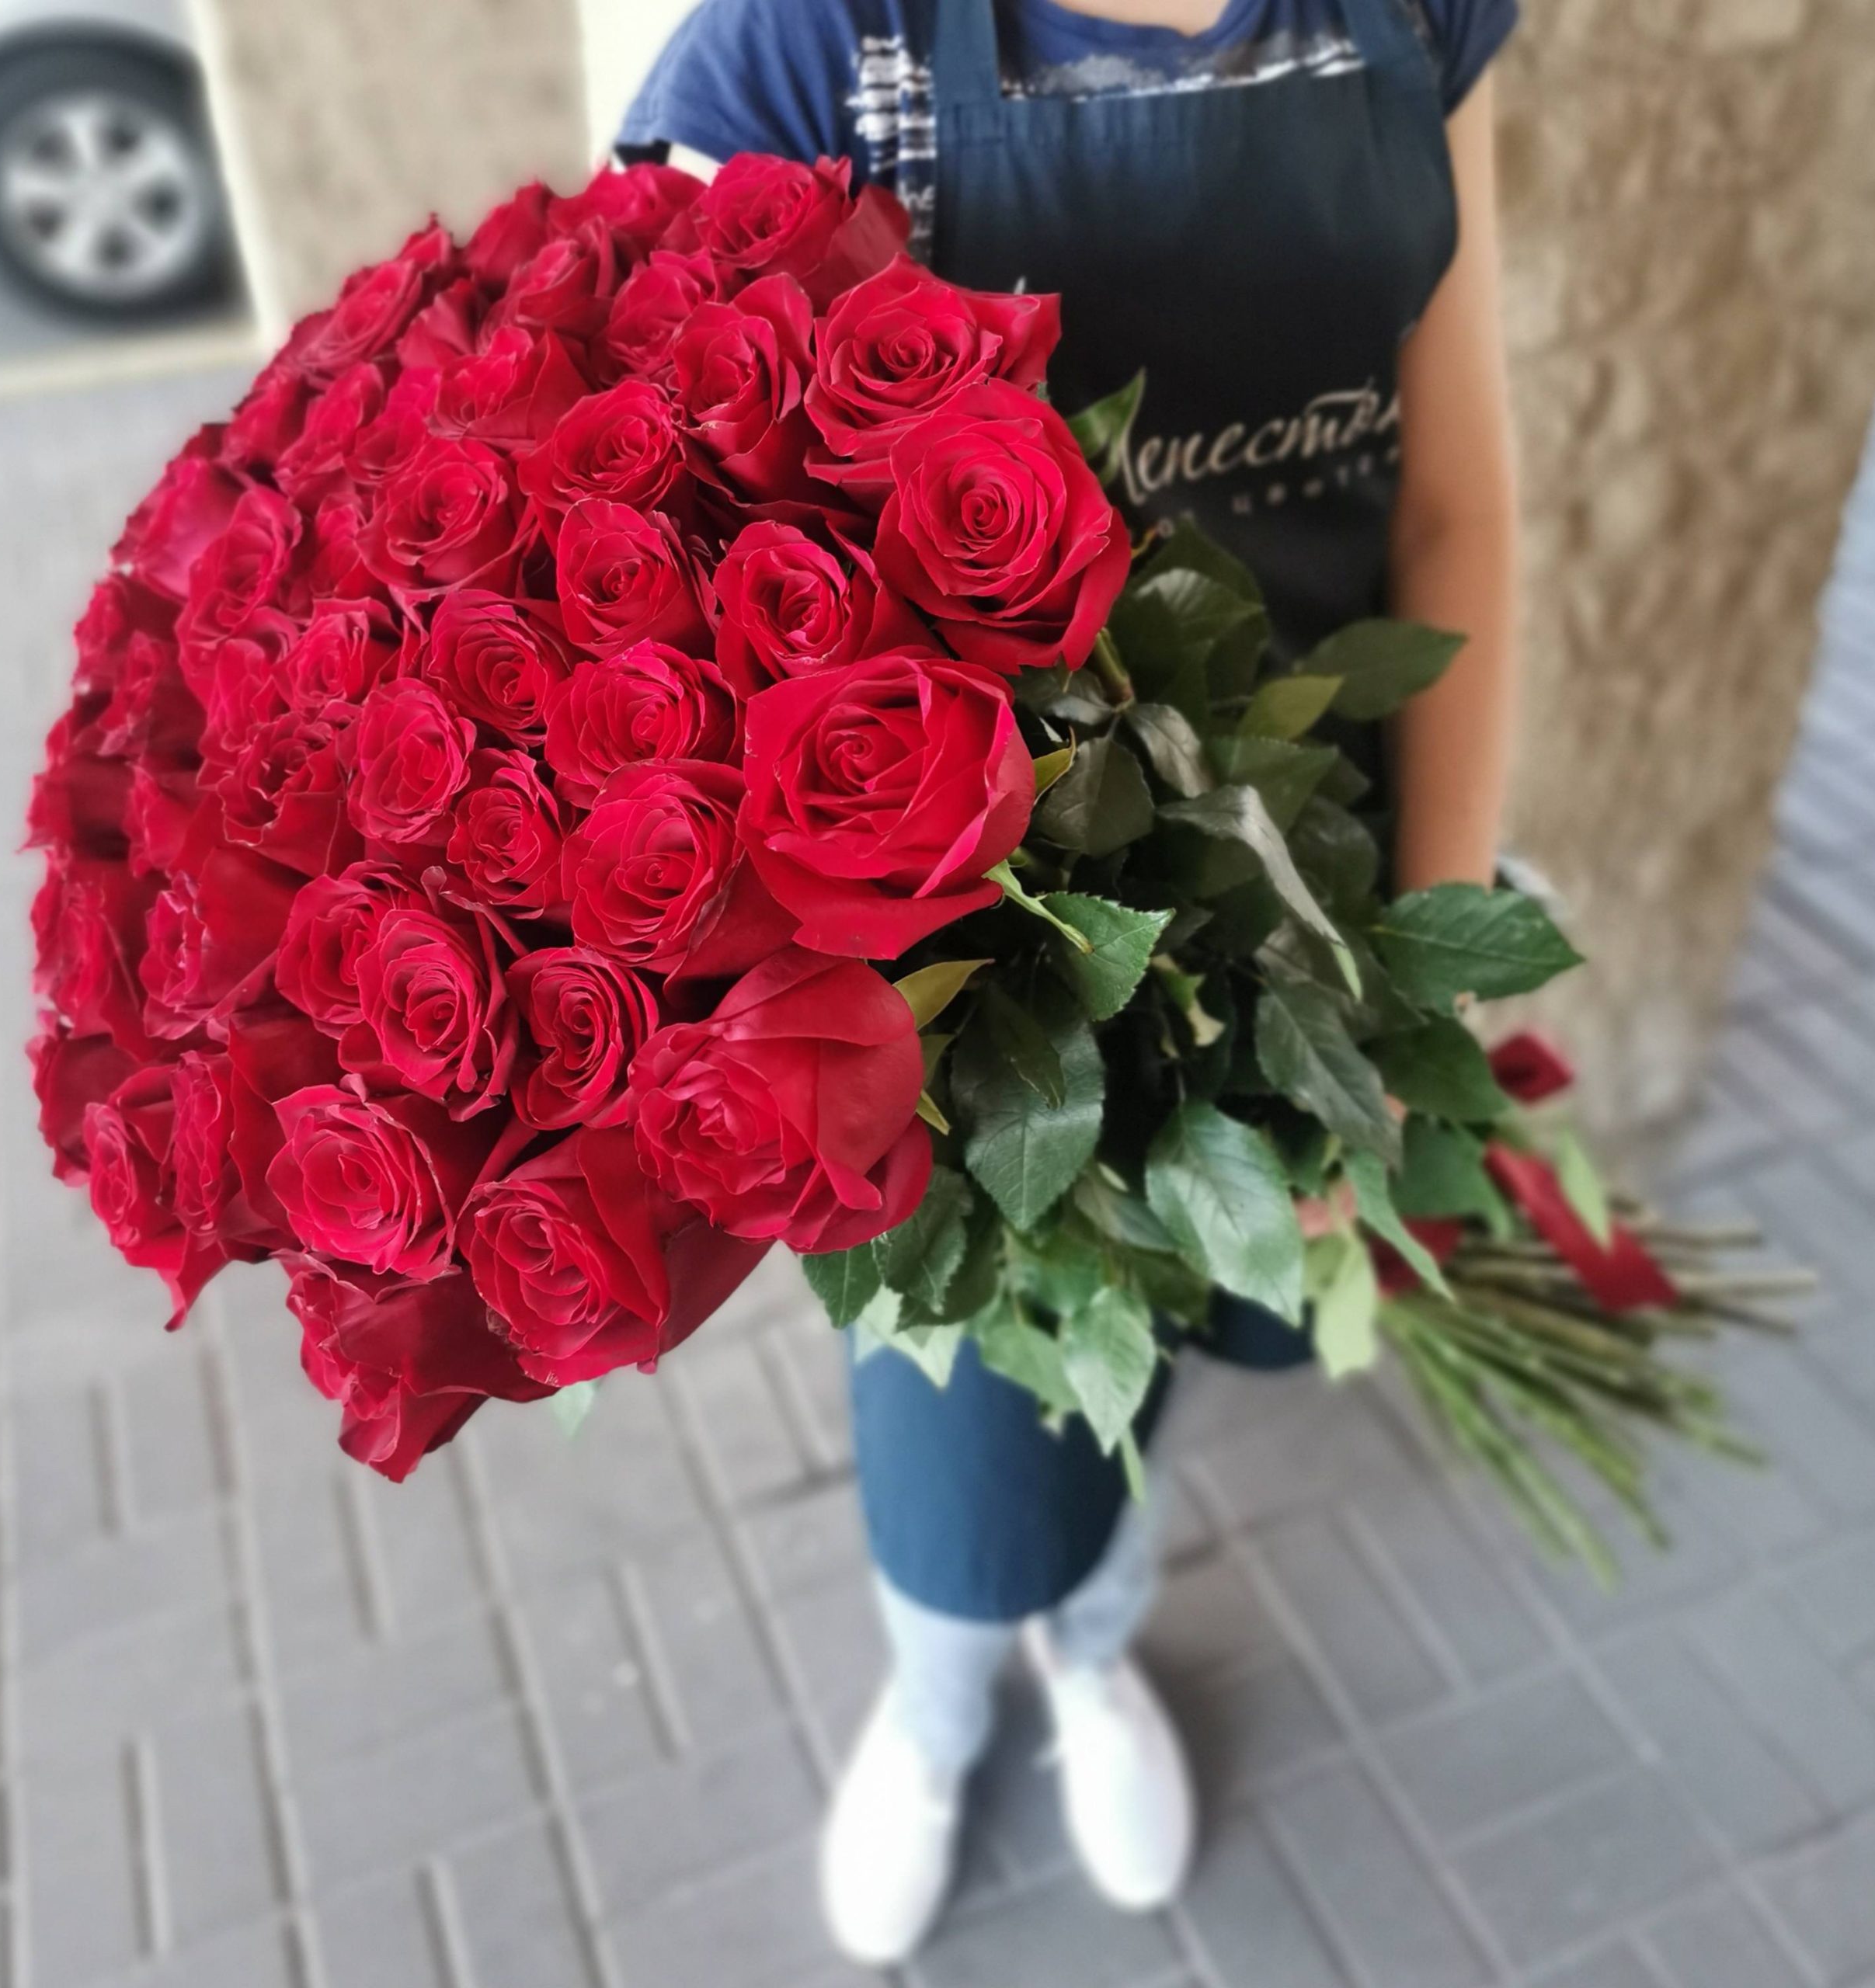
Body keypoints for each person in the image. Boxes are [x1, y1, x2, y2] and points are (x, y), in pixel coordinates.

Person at [620, 0, 1522, 1963]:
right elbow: (667, 568)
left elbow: (1453, 502)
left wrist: (1412, 973)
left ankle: (1094, 1653)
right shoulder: (807, 42)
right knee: (966, 1419)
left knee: (1172, 1355)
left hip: (1305, 891)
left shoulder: (1419, 16)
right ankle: (940, 1701)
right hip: (962, 989)